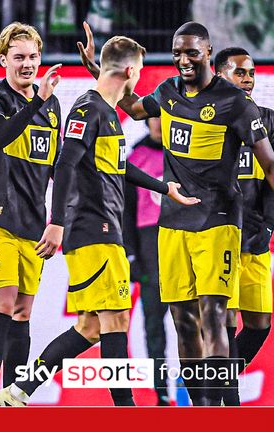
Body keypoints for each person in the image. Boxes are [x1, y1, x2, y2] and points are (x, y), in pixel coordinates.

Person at [78, 21, 274, 405]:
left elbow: (272, 166)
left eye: (191, 52)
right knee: (184, 323)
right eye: (177, 53)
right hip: (173, 224)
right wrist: (98, 69)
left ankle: (223, 408)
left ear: (207, 52)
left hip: (218, 222)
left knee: (214, 315)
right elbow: (132, 107)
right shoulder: (168, 92)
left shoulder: (234, 103)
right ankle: (202, 407)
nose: (184, 60)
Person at [0, 35, 199, 407]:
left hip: (102, 231)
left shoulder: (105, 112)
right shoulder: (88, 109)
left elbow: (118, 167)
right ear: (131, 70)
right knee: (116, 321)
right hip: (94, 230)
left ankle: (17, 392)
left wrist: (162, 187)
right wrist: (56, 223)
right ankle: (126, 411)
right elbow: (66, 163)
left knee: (89, 328)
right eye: (138, 73)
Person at [0, 22, 63, 407]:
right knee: (3, 303)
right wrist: (37, 100)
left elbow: (61, 167)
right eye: (19, 57)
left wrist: (58, 220)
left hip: (32, 222)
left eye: (33, 57)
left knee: (23, 313)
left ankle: (13, 398)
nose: (27, 64)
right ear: (3, 58)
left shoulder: (53, 106)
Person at [212, 47, 274, 406]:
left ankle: (212, 383)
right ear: (219, 75)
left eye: (251, 72)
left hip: (255, 239)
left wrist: (269, 226)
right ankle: (229, 404)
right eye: (239, 72)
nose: (248, 79)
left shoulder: (268, 119)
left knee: (260, 326)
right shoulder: (206, 119)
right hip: (220, 237)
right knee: (226, 322)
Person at [122, 116, 170, 406]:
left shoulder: (185, 152)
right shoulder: (135, 157)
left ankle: (203, 388)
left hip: (182, 241)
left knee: (194, 322)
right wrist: (131, 254)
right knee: (154, 325)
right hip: (149, 247)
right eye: (154, 119)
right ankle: (161, 390)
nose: (159, 125)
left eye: (163, 119)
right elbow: (126, 212)